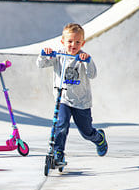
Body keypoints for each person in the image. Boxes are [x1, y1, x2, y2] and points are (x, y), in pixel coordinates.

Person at [36, 23, 108, 167]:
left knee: (86, 131)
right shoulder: (58, 56)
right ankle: (58, 152)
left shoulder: (83, 58)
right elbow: (40, 64)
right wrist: (44, 54)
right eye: (69, 41)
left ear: (83, 43)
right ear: (63, 42)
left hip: (82, 102)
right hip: (63, 99)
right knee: (61, 125)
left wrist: (88, 61)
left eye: (77, 42)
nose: (73, 45)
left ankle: (99, 138)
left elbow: (92, 74)